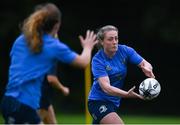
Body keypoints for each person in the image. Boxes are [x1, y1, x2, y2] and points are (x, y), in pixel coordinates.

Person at [0, 3, 97, 124]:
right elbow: (83, 62)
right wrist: (87, 47)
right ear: (57, 25)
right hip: (24, 106)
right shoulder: (53, 46)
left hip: (8, 101)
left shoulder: (21, 40)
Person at [88, 25, 155, 124]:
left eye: (116, 38)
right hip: (97, 102)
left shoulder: (125, 50)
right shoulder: (97, 60)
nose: (114, 42)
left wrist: (147, 68)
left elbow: (145, 63)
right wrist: (126, 94)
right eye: (110, 39)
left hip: (114, 103)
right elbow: (106, 87)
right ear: (102, 42)